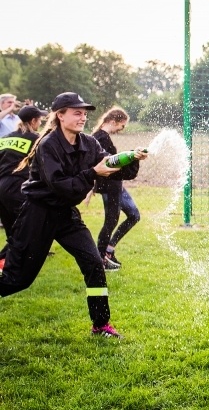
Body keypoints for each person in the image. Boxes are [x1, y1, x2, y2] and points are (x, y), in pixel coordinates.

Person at [0, 92, 146, 339]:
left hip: (66, 214)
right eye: (76, 112)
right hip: (38, 213)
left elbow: (111, 167)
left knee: (93, 263)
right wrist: (93, 172)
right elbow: (61, 185)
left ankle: (101, 326)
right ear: (60, 115)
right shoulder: (48, 145)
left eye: (84, 113)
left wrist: (132, 157)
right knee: (18, 279)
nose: (82, 117)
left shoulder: (89, 143)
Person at [91, 107, 142, 271]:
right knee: (111, 221)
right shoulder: (99, 138)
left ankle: (109, 250)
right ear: (113, 121)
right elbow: (111, 164)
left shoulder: (103, 137)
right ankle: (101, 260)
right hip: (109, 186)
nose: (122, 129)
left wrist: (133, 156)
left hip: (117, 186)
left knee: (134, 215)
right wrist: (133, 157)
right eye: (122, 125)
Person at [0, 105, 49, 266]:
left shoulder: (6, 138)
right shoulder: (36, 139)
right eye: (40, 119)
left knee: (11, 229)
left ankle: (11, 265)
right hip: (16, 187)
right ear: (34, 121)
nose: (40, 123)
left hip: (1, 186)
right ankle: (4, 259)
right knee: (28, 227)